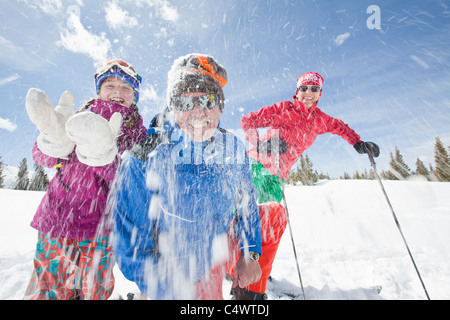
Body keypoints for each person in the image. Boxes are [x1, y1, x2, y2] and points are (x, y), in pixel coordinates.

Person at [111, 53, 286, 300]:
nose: (196, 112)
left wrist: (251, 253)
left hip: (218, 248)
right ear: (172, 109)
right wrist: (167, 289)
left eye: (206, 100)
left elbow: (246, 208)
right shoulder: (144, 158)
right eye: (184, 103)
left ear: (220, 106)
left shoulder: (232, 148)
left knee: (274, 214)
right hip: (178, 272)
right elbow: (131, 247)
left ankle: (247, 293)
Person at [23, 59, 147, 300]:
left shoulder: (138, 134)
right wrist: (51, 141)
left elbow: (132, 182)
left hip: (100, 229)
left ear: (135, 97)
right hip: (56, 221)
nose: (117, 93)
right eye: (109, 85)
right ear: (99, 91)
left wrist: (106, 159)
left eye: (125, 88)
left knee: (94, 291)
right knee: (48, 289)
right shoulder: (78, 117)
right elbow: (43, 158)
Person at [241, 71, 380, 203]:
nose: (308, 92)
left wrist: (358, 143)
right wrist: (260, 144)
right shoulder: (284, 109)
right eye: (304, 88)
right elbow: (248, 120)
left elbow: (340, 127)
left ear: (319, 94)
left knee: (269, 217)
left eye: (314, 89)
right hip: (256, 165)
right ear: (297, 92)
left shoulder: (319, 120)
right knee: (242, 209)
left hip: (277, 175)